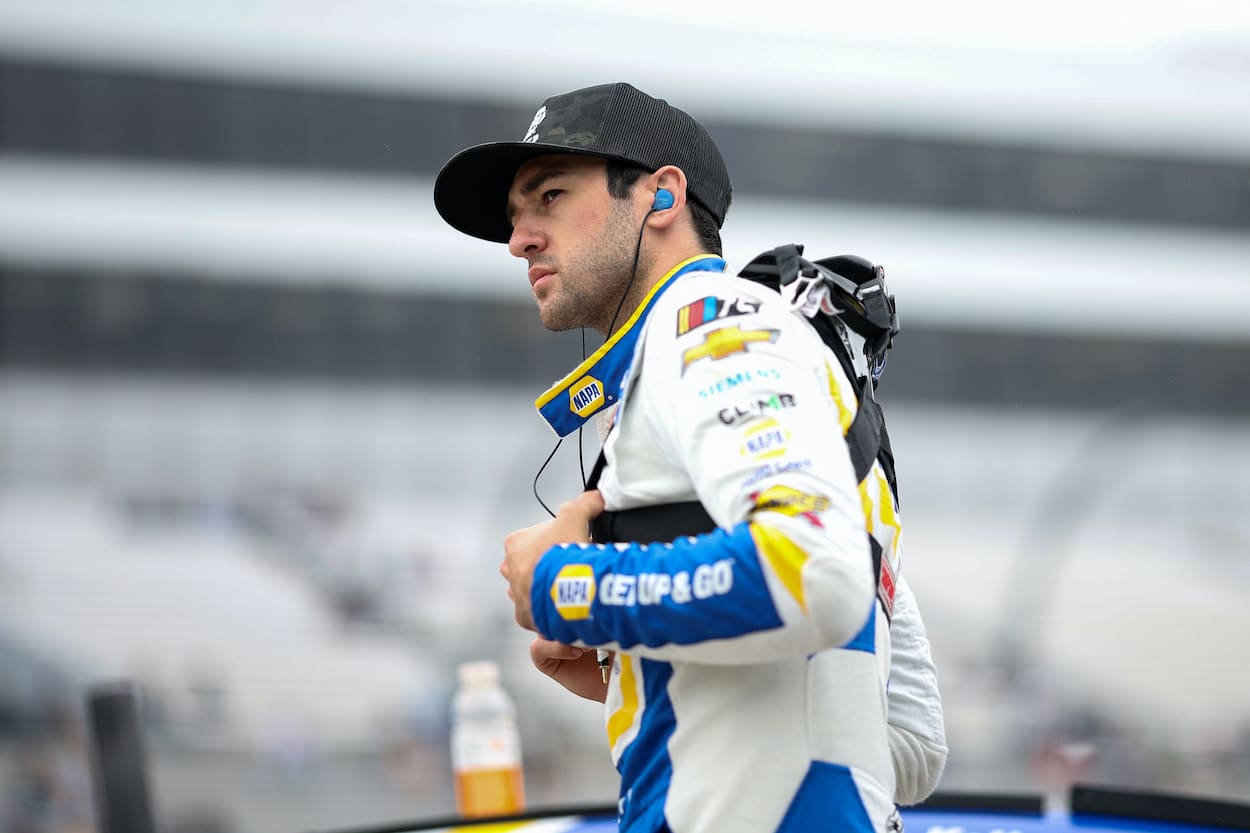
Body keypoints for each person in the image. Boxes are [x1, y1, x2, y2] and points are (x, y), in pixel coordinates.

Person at [434, 82, 944, 832]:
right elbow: (908, 743)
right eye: (516, 218)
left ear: (661, 197)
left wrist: (562, 584)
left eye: (548, 196)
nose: (520, 239)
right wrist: (632, 660)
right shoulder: (786, 354)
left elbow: (813, 572)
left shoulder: (709, 327)